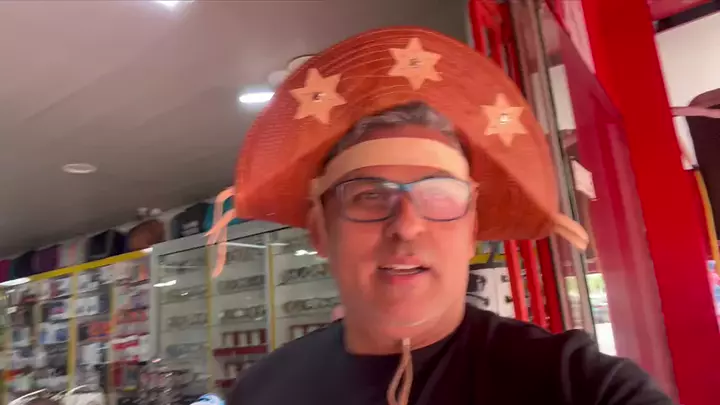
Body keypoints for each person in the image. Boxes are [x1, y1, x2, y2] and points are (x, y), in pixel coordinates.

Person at [208, 27, 674, 405]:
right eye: (369, 196)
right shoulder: (263, 392)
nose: (406, 225)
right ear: (320, 232)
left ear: (472, 230)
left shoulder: (576, 385)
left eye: (439, 195)